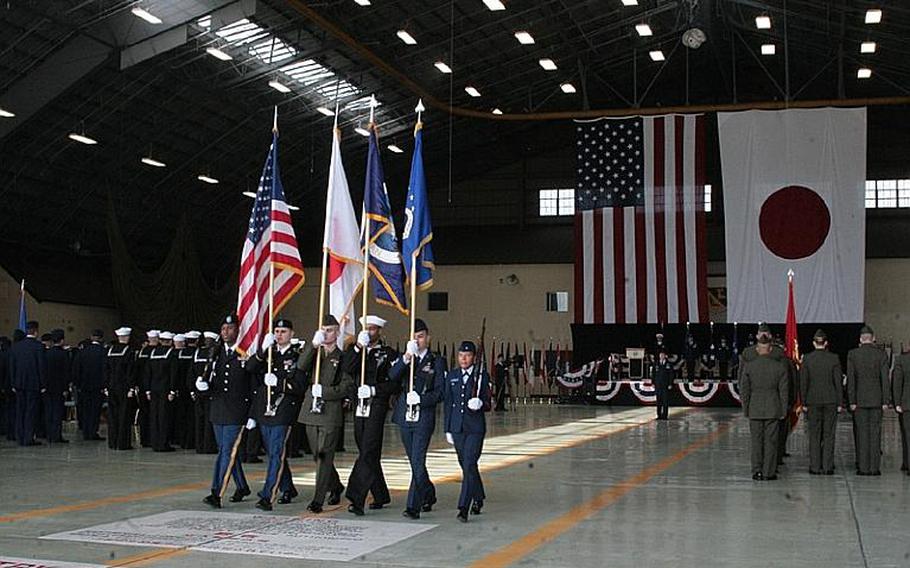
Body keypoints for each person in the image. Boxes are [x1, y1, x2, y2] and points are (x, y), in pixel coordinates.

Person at [389, 318, 447, 519]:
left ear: (428, 338)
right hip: (405, 416)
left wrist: (421, 399)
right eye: (414, 337)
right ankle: (429, 494)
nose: (418, 340)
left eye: (421, 336)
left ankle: (413, 506)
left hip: (423, 417)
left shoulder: (437, 361)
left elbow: (440, 392)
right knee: (414, 462)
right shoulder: (406, 358)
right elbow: (392, 376)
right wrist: (406, 356)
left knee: (417, 459)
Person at [343, 315, 400, 516]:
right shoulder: (357, 350)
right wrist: (358, 347)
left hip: (376, 403)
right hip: (359, 404)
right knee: (368, 451)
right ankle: (381, 494)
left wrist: (375, 390)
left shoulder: (389, 353)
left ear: (380, 331)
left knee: (368, 449)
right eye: (366, 328)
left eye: (373, 329)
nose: (369, 332)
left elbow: (395, 382)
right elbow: (347, 369)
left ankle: (356, 497)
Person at [247, 318, 305, 511]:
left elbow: (299, 386)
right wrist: (262, 350)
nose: (279, 335)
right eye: (277, 331)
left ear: (292, 334)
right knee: (274, 453)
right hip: (266, 410)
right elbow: (250, 368)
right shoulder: (269, 353)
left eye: (283, 331)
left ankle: (267, 494)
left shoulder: (297, 356)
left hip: (284, 410)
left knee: (276, 453)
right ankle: (288, 488)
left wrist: (278, 384)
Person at [297, 315, 354, 513]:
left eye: (330, 330)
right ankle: (336, 485)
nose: (326, 333)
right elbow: (300, 367)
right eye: (323, 329)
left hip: (330, 412)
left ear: (337, 332)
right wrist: (313, 345)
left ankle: (317, 500)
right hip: (310, 411)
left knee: (323, 456)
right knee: (317, 455)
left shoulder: (343, 357)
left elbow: (346, 386)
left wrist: (326, 393)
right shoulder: (316, 353)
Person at [198, 315, 253, 508]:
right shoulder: (216, 351)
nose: (226, 332)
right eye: (223, 329)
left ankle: (216, 492)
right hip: (218, 409)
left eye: (230, 328)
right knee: (227, 452)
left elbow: (253, 385)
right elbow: (213, 376)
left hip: (237, 412)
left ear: (238, 330)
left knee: (226, 452)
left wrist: (252, 414)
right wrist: (205, 386)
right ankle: (242, 486)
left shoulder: (246, 352)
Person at [444, 341, 491, 522]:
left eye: (468, 355)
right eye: (461, 355)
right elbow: (448, 403)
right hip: (457, 428)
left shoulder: (481, 376)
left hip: (475, 429)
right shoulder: (453, 376)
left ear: (474, 357)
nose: (463, 358)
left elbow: (488, 402)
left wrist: (481, 404)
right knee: (466, 465)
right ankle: (478, 497)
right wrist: (447, 428)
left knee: (470, 463)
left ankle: (463, 506)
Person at [740, 334, 788, 481]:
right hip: (773, 408)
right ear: (770, 349)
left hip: (755, 408)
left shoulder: (749, 366)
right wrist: (783, 410)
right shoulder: (779, 367)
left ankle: (756, 471)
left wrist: (746, 409)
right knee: (771, 442)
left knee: (756, 442)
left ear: (757, 349)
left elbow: (744, 391)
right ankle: (769, 472)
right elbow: (784, 391)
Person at [847, 325, 890, 476]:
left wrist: (851, 400)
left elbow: (851, 380)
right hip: (877, 400)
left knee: (862, 434)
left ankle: (863, 468)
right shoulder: (881, 355)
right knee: (875, 434)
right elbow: (885, 379)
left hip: (859, 400)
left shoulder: (853, 354)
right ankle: (874, 468)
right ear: (873, 338)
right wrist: (886, 400)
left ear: (860, 339)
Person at [799, 329, 843, 475]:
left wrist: (803, 402)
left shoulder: (807, 359)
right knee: (829, 435)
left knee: (814, 434)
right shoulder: (834, 358)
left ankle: (815, 466)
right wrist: (840, 403)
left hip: (812, 401)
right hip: (831, 400)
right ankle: (827, 466)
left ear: (813, 343)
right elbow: (838, 382)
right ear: (826, 343)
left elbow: (803, 382)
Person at [9, 321, 47, 446]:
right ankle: (28, 438)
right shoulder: (39, 347)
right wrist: (42, 384)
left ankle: (19, 437)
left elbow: (12, 367)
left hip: (19, 384)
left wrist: (14, 383)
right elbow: (41, 367)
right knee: (31, 412)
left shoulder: (16, 347)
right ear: (36, 331)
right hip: (33, 384)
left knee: (20, 411)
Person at [143, 331, 178, 452]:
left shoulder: (152, 353)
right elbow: (173, 374)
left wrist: (147, 390)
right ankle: (163, 444)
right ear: (170, 341)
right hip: (165, 389)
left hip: (153, 389)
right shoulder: (171, 353)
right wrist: (172, 391)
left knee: (154, 416)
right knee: (164, 417)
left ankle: (155, 442)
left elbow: (147, 372)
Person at [105, 327, 136, 450]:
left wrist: (106, 386)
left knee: (112, 415)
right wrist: (131, 388)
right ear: (127, 337)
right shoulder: (129, 351)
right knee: (124, 415)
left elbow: (106, 370)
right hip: (123, 387)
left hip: (111, 386)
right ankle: (123, 443)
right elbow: (130, 372)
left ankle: (112, 442)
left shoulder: (110, 350)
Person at [191, 332, 219, 454]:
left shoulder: (198, 352)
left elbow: (191, 372)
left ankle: (200, 446)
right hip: (208, 390)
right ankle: (207, 446)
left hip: (200, 389)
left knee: (200, 419)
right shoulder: (215, 353)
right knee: (207, 419)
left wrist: (193, 388)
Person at [44, 329, 70, 444]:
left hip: (48, 387)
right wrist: (65, 388)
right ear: (62, 340)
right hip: (59, 388)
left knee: (49, 412)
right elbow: (66, 373)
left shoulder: (46, 353)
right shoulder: (63, 354)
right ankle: (56, 435)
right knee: (58, 412)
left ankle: (49, 434)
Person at [892, 343, 910, 476]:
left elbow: (897, 382)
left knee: (906, 434)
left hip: (906, 403)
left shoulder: (901, 360)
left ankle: (907, 462)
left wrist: (897, 402)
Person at [653, 349, 673, 420]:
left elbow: (671, 374)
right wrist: (653, 383)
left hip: (665, 385)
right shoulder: (656, 363)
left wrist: (670, 383)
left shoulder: (669, 364)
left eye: (662, 355)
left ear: (665, 356)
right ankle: (659, 415)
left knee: (665, 401)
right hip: (658, 385)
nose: (661, 356)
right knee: (658, 401)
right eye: (660, 355)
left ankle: (665, 415)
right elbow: (653, 374)